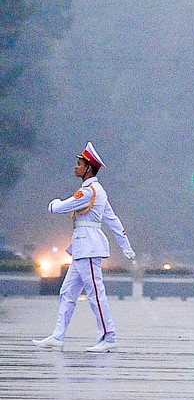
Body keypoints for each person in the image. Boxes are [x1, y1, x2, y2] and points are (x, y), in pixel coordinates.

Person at [33, 143, 133, 353]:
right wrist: (125, 245)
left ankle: (109, 336)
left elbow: (60, 208)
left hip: (88, 247)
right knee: (67, 293)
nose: (75, 168)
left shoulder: (88, 192)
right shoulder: (97, 191)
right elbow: (113, 220)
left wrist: (53, 203)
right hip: (82, 249)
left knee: (96, 294)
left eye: (79, 164)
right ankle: (58, 336)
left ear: (88, 168)